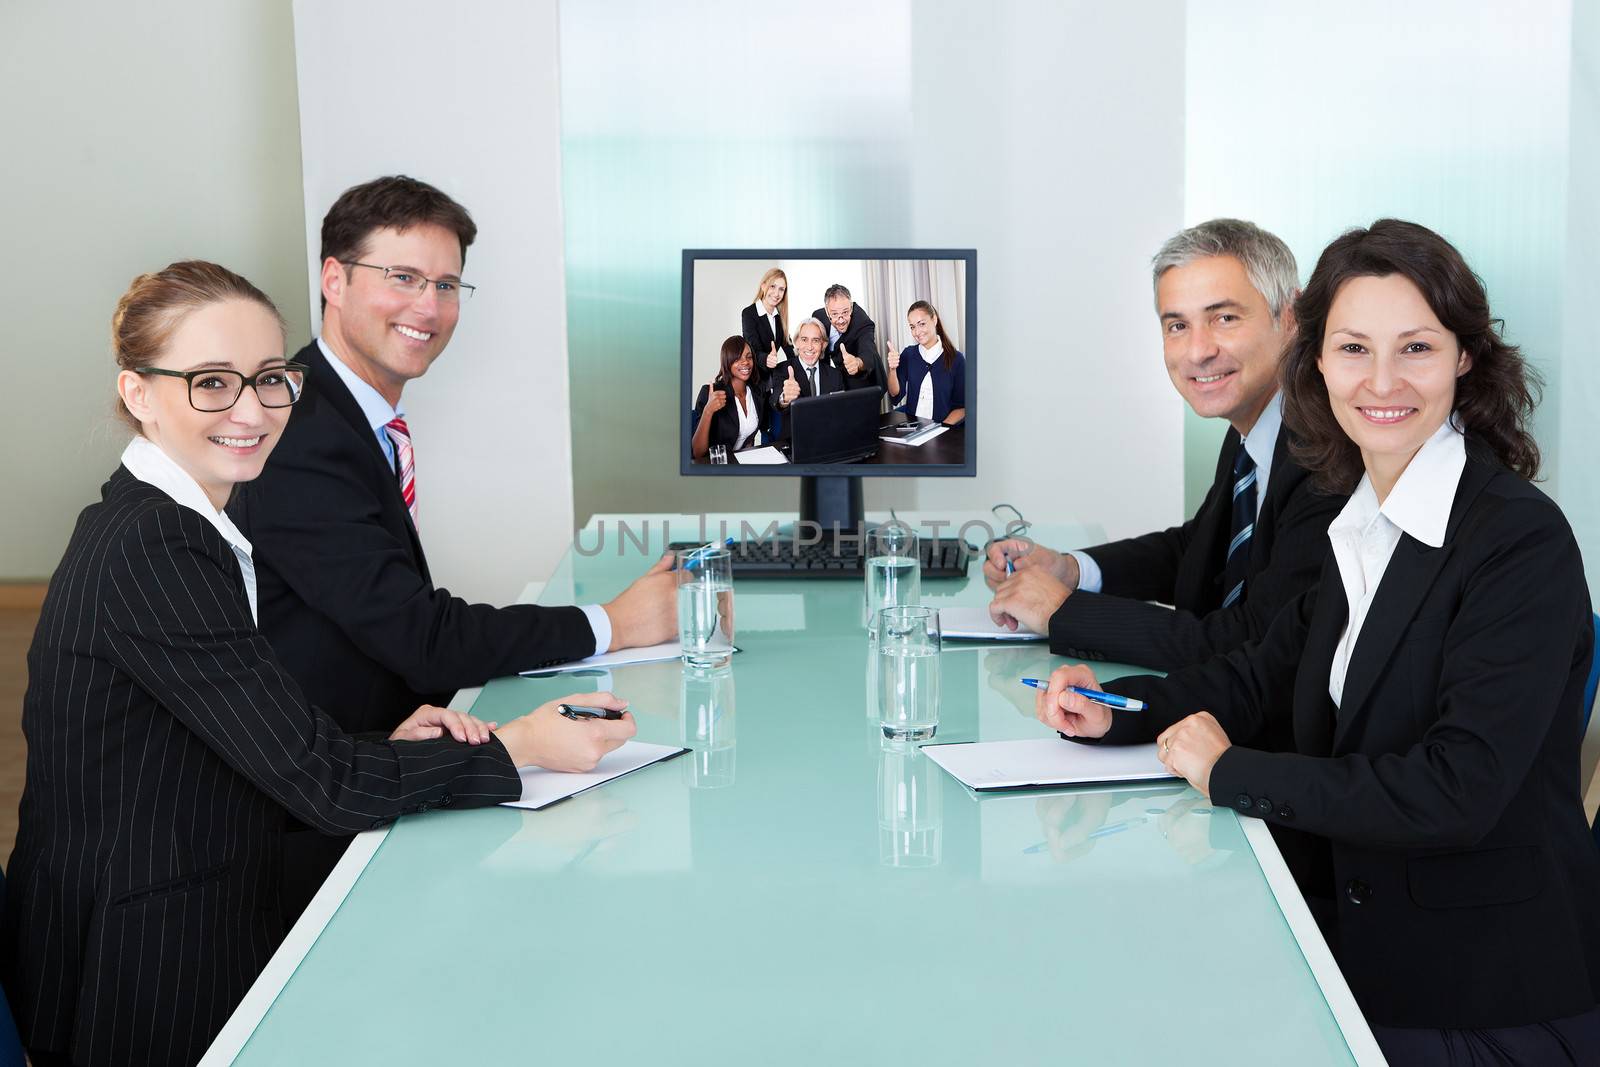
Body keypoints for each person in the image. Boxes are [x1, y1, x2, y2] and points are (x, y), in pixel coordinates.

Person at [0, 262, 639, 1067]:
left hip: (175, 891)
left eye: (270, 379)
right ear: (137, 393)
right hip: (136, 960)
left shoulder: (173, 521)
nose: (252, 410)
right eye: (210, 383)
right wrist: (520, 750)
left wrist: (389, 743)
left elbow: (253, 733)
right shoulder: (154, 547)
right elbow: (321, 782)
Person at [1037, 220, 1600, 1061]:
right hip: (1359, 938)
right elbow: (1259, 677)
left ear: (1464, 357)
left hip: (1485, 994)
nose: (1380, 380)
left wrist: (1233, 772)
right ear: (1319, 361)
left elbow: (1459, 786)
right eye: (1353, 348)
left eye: (1415, 347)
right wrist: (1115, 707)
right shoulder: (1363, 512)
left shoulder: (1518, 538)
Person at [227, 175, 674, 916]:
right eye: (401, 277)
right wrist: (618, 623)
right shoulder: (302, 434)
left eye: (445, 283)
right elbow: (424, 637)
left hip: (381, 739)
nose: (428, 307)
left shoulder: (347, 415)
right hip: (306, 820)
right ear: (333, 279)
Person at [986, 219, 1346, 674]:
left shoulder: (1326, 450)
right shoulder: (1256, 427)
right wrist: (1071, 571)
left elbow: (1255, 639)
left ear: (1290, 316)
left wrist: (1064, 612)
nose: (1197, 352)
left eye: (1224, 318)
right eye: (1177, 325)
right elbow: (1197, 550)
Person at [884, 299, 966, 425]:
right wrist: (893, 370)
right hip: (912, 429)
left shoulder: (957, 360)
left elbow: (962, 408)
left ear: (934, 320)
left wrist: (939, 430)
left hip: (943, 432)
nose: (917, 332)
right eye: (912, 327)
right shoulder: (909, 354)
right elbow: (895, 394)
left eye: (921, 324)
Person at [692, 335, 769, 459]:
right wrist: (708, 411)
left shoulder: (757, 391)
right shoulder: (710, 393)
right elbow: (697, 453)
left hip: (741, 462)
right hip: (715, 466)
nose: (745, 362)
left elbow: (749, 437)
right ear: (727, 361)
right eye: (738, 358)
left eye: (749, 357)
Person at [769, 317, 848, 434]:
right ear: (796, 342)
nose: (810, 347)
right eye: (804, 340)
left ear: (824, 344)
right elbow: (775, 401)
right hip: (795, 441)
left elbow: (841, 412)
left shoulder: (835, 375)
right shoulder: (783, 370)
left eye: (815, 340)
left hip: (828, 438)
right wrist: (784, 398)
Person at [813, 283, 883, 391]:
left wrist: (857, 362)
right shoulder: (818, 317)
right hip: (838, 378)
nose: (841, 320)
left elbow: (868, 352)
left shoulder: (862, 322)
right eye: (835, 314)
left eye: (845, 312)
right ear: (827, 312)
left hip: (865, 381)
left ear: (851, 308)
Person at [741, 267, 792, 387]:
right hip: (754, 379)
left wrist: (802, 362)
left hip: (772, 379)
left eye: (781, 289)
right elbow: (752, 347)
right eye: (772, 286)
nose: (776, 293)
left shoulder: (780, 317)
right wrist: (766, 359)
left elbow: (788, 346)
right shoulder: (749, 313)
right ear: (763, 286)